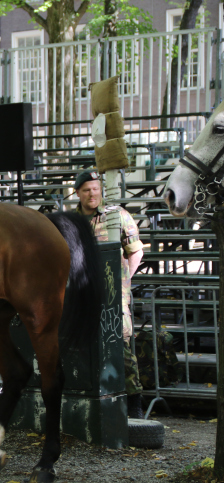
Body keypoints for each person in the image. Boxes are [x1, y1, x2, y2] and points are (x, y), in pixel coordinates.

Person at [75, 169, 146, 418]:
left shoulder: (117, 215)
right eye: (87, 190)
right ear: (78, 193)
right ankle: (92, 402)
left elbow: (135, 251)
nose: (92, 194)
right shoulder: (72, 221)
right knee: (83, 346)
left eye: (96, 188)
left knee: (120, 346)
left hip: (114, 296)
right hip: (82, 295)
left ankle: (134, 404)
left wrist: (123, 281)